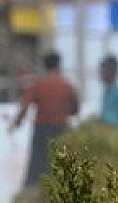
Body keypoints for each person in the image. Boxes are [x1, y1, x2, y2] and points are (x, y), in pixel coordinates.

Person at [10, 51, 80, 190]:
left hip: (42, 129)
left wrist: (16, 123)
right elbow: (76, 108)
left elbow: (25, 105)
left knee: (37, 165)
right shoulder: (66, 85)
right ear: (59, 66)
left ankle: (32, 194)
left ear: (45, 66)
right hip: (61, 128)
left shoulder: (39, 84)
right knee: (61, 165)